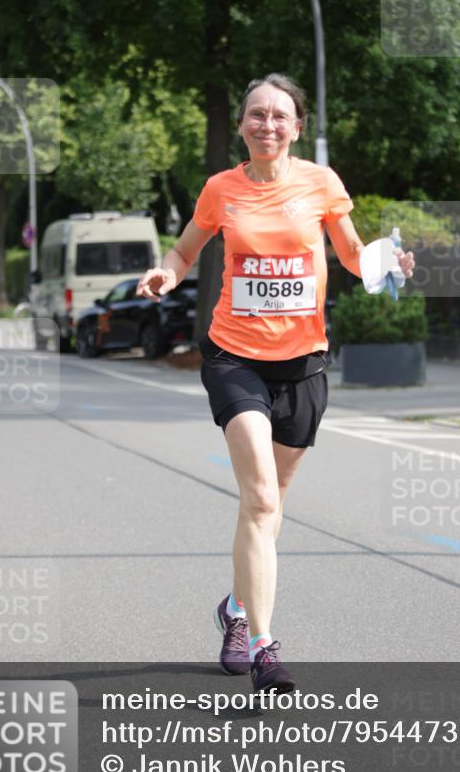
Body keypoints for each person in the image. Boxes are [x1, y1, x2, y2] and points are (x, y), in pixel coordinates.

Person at [137, 74, 415, 692]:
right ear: (242, 125)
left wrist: (385, 260)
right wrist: (165, 272)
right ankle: (264, 644)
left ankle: (235, 610)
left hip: (305, 363)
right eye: (256, 115)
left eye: (279, 116)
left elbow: (350, 255)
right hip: (235, 356)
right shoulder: (221, 189)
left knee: (270, 507)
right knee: (260, 498)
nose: (267, 124)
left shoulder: (321, 182)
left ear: (297, 127)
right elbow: (185, 252)